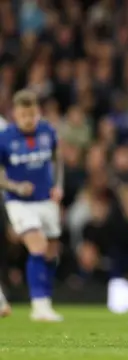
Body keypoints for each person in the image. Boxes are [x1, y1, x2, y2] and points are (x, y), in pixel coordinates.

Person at [0, 90, 64, 321]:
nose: (28, 119)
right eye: (23, 115)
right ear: (15, 114)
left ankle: (45, 299)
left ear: (38, 112)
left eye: (32, 114)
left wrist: (58, 185)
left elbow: (58, 158)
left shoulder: (47, 131)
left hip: (46, 200)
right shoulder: (5, 137)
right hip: (19, 203)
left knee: (51, 253)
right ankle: (39, 306)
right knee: (37, 247)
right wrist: (15, 187)